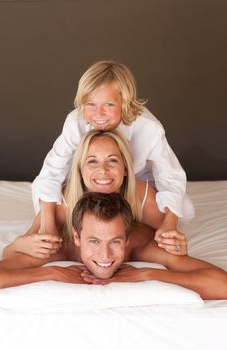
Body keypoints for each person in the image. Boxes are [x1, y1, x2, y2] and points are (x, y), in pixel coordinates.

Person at [32, 60, 194, 243]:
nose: (98, 114)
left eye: (108, 105)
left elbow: (170, 175)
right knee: (51, 207)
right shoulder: (74, 122)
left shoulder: (149, 128)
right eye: (91, 104)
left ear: (125, 102)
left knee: (184, 209)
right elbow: (52, 171)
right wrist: (47, 224)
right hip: (91, 178)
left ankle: (130, 222)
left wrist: (170, 222)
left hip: (135, 178)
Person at [0, 192, 226, 302]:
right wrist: (49, 272)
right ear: (77, 237)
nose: (104, 256)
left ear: (127, 239)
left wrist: (149, 274)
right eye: (93, 241)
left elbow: (222, 285)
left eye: (115, 242)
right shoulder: (55, 247)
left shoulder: (143, 243)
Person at [3, 130, 187, 259]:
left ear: (124, 168)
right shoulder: (63, 202)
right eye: (92, 161)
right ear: (80, 169)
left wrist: (176, 245)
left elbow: (172, 245)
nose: (103, 170)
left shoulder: (141, 194)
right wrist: (19, 245)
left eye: (112, 160)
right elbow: (10, 253)